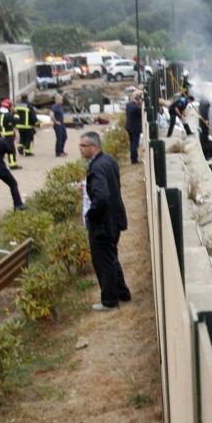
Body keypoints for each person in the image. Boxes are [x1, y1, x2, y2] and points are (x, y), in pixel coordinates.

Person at [79, 131, 130, 311]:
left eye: (83, 146)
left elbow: (101, 197)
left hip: (102, 223)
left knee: (104, 261)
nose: (80, 149)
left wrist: (90, 215)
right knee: (111, 256)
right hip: (114, 219)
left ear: (94, 146)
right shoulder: (108, 160)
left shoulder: (97, 167)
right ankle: (122, 292)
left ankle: (109, 301)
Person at [0, 99, 20, 169]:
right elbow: (16, 122)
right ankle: (13, 164)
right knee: (11, 150)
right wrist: (16, 113)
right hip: (8, 135)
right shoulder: (8, 115)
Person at [124, 91, 143, 164]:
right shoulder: (137, 108)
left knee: (132, 143)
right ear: (138, 100)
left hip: (129, 127)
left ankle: (133, 158)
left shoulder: (128, 105)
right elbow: (142, 115)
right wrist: (141, 105)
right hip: (135, 128)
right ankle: (134, 160)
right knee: (135, 144)